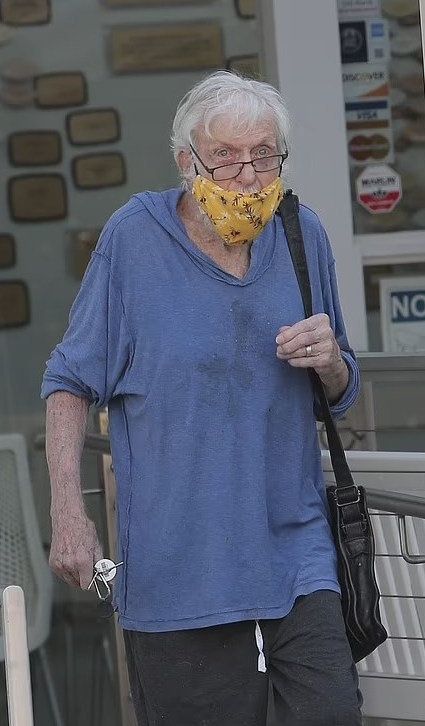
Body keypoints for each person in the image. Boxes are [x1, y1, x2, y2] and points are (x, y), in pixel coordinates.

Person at [42, 70, 363, 726]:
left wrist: (331, 362)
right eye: (226, 156)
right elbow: (70, 383)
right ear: (186, 161)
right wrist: (69, 514)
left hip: (296, 555)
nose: (247, 175)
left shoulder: (301, 234)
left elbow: (342, 390)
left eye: (263, 155)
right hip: (178, 568)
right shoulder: (135, 239)